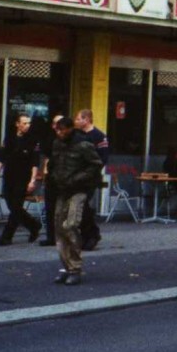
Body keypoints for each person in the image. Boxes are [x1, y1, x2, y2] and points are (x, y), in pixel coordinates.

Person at [48, 116, 104, 286]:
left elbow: (96, 164)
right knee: (59, 228)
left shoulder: (83, 144)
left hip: (78, 189)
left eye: (61, 129)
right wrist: (52, 178)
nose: (59, 133)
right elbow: (54, 164)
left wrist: (77, 179)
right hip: (61, 189)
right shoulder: (57, 144)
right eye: (57, 129)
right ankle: (67, 267)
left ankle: (75, 268)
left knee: (70, 225)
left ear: (70, 128)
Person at [0, 112, 43, 246]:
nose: (27, 126)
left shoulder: (33, 140)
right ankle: (33, 225)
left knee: (16, 206)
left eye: (29, 123)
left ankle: (7, 237)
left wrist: (33, 180)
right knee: (11, 204)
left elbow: (35, 162)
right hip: (9, 175)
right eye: (24, 123)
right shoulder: (10, 138)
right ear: (17, 124)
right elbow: (1, 157)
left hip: (23, 177)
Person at [74, 108, 108, 251]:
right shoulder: (76, 135)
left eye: (78, 119)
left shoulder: (99, 136)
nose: (75, 121)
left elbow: (103, 158)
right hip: (76, 177)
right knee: (80, 207)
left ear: (86, 120)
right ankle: (89, 234)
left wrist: (89, 173)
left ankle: (92, 234)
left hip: (90, 178)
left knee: (83, 204)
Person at [37, 114, 63, 247]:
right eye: (57, 123)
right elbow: (46, 157)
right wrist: (45, 172)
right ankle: (51, 236)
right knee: (50, 207)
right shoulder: (50, 140)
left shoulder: (71, 139)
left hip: (65, 177)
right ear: (53, 126)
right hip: (52, 177)